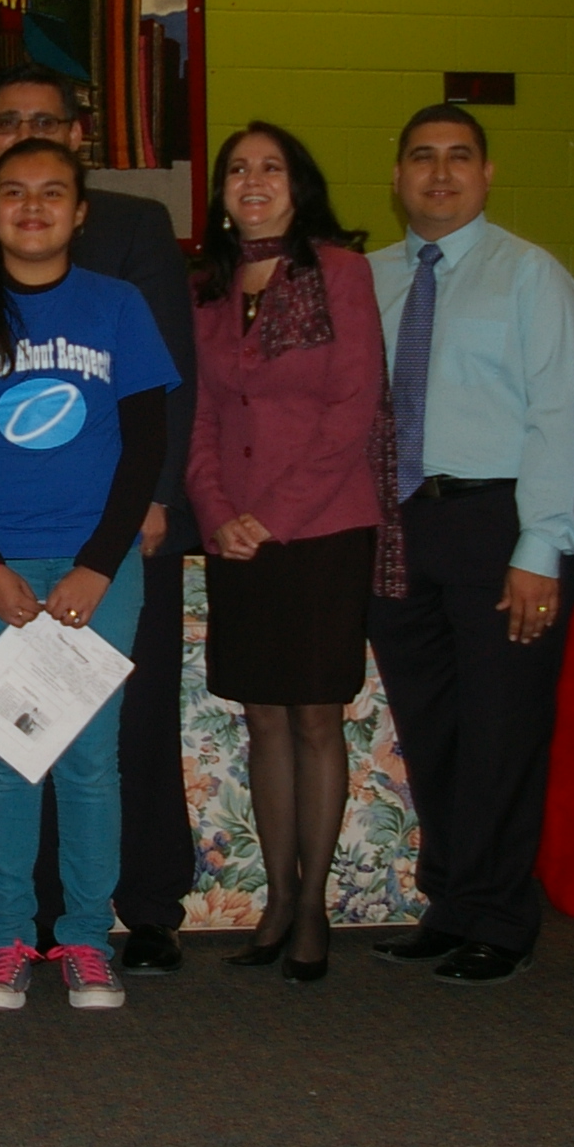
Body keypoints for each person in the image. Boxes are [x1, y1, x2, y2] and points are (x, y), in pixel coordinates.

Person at [0, 68, 199, 977]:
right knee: (9, 758)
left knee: (88, 763)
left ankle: (84, 936)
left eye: (52, 194)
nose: (32, 208)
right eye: (14, 193)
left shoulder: (117, 307)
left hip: (98, 569)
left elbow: (143, 445)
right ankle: (7, 937)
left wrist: (99, 564)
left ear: (81, 213)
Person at [365, 105, 574, 986]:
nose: (440, 173)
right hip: (397, 526)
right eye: (421, 156)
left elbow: (561, 415)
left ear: (488, 174)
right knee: (432, 731)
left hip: (500, 525)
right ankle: (452, 903)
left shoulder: (531, 276)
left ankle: (501, 917)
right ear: (396, 179)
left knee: (502, 730)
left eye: (459, 157)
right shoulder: (370, 279)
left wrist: (542, 544)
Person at [185, 123, 385, 985]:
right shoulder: (209, 288)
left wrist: (269, 516)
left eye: (270, 167)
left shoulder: (339, 272)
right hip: (235, 533)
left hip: (324, 529)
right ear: (222, 193)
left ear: (298, 185)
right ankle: (273, 896)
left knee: (313, 717)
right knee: (260, 715)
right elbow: (197, 416)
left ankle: (313, 910)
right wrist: (218, 511)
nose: (252, 180)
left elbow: (353, 411)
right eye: (238, 169)